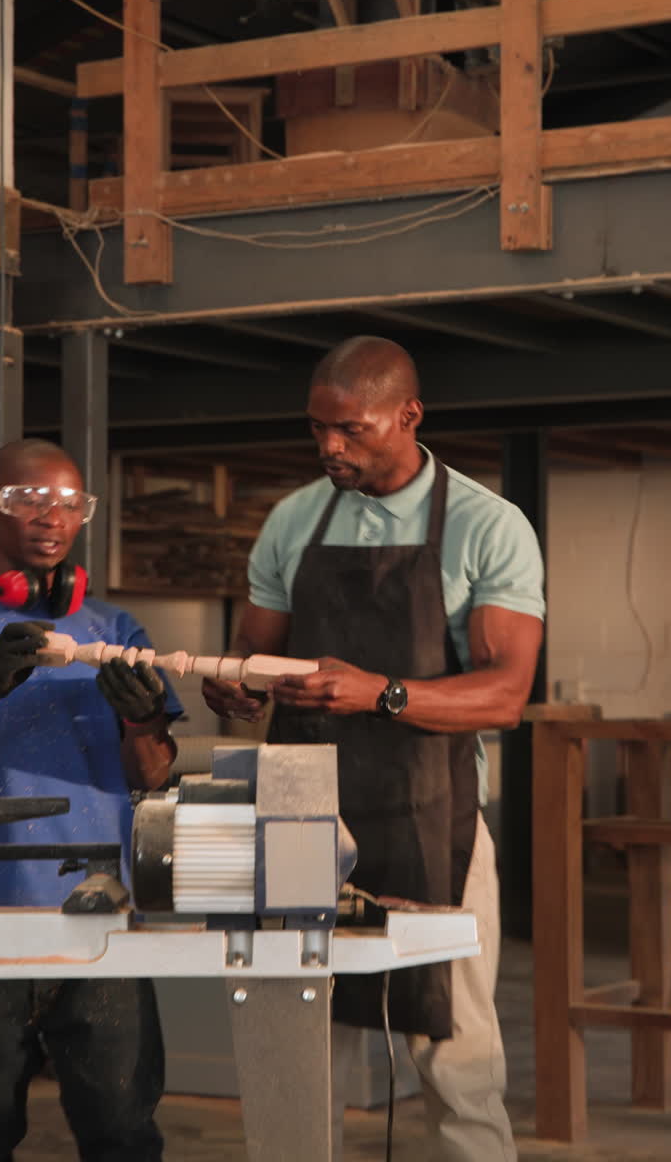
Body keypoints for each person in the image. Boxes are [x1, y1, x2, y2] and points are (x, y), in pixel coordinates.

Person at [202, 336, 545, 1162]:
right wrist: (238, 686)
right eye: (318, 430)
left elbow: (506, 694)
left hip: (431, 815)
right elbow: (255, 653)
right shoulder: (294, 518)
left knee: (455, 1057)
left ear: (408, 415)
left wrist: (381, 693)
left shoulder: (486, 525)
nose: (330, 447)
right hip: (300, 815)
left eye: (351, 430)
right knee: (299, 1049)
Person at [0, 439, 181, 1162]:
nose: (50, 516)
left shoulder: (115, 630)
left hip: (101, 916)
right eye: (28, 498)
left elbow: (153, 776)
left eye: (68, 502)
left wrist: (142, 719)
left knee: (124, 1132)